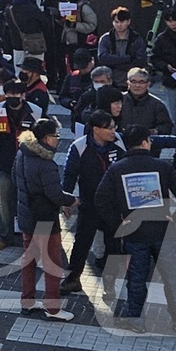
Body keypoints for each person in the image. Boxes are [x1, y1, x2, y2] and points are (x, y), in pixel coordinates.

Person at [96, 126, 176, 335]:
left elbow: (100, 200)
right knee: (172, 277)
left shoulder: (117, 169)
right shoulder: (161, 167)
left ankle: (136, 320)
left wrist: (118, 224)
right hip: (163, 230)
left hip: (134, 233)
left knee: (137, 277)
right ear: (145, 142)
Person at [13, 119, 76, 322]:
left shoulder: (22, 152)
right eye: (56, 136)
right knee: (53, 264)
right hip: (45, 219)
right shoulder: (45, 163)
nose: (57, 140)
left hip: (26, 215)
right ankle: (53, 308)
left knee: (29, 261)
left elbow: (15, 180)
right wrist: (72, 200)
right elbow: (55, 194)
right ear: (47, 138)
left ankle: (28, 301)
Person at [59, 111, 124, 298]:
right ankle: (72, 279)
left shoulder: (119, 141)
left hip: (114, 206)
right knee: (81, 242)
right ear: (96, 129)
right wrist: (67, 200)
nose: (114, 131)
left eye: (114, 127)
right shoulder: (78, 147)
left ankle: (109, 285)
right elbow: (69, 175)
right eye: (109, 128)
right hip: (90, 204)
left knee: (113, 246)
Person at [0, 80, 41, 250]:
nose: (12, 97)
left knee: (30, 202)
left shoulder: (35, 112)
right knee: (6, 203)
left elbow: (42, 136)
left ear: (23, 95)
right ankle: (5, 236)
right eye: (9, 94)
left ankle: (31, 238)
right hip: (5, 164)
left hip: (28, 164)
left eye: (16, 94)